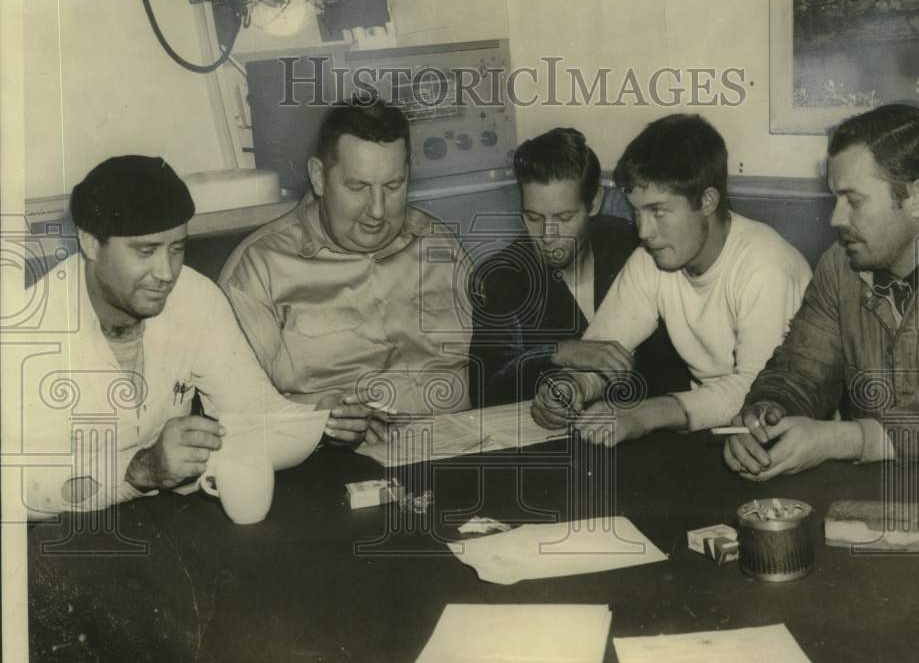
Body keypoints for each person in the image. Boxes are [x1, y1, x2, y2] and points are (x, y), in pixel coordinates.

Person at [19, 157, 335, 519]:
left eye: (176, 248)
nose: (166, 273)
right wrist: (139, 470)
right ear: (90, 244)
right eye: (146, 251)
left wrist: (321, 417)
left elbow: (254, 412)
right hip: (62, 539)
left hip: (164, 520)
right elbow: (20, 485)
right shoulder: (32, 327)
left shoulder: (194, 297)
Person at [724, 104, 919, 480]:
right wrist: (766, 415)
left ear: (916, 198)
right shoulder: (840, 264)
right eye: (835, 200)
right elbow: (801, 371)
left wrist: (844, 440)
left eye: (853, 201)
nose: (836, 219)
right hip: (879, 499)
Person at [532, 114, 812, 446]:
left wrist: (645, 414)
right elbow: (602, 351)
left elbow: (758, 390)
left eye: (658, 211)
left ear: (707, 201)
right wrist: (570, 387)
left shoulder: (765, 266)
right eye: (637, 212)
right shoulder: (653, 258)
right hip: (711, 431)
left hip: (786, 438)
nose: (643, 231)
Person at [219, 100, 472, 444]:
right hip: (333, 467)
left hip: (463, 452)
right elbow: (233, 413)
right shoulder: (260, 268)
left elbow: (498, 357)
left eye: (394, 186)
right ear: (319, 177)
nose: (378, 211)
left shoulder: (438, 244)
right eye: (358, 188)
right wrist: (315, 423)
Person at [468, 127, 690, 408]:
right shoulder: (502, 277)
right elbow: (486, 394)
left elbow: (675, 364)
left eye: (563, 217)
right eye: (534, 217)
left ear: (594, 202)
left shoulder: (633, 246)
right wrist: (558, 353)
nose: (547, 235)